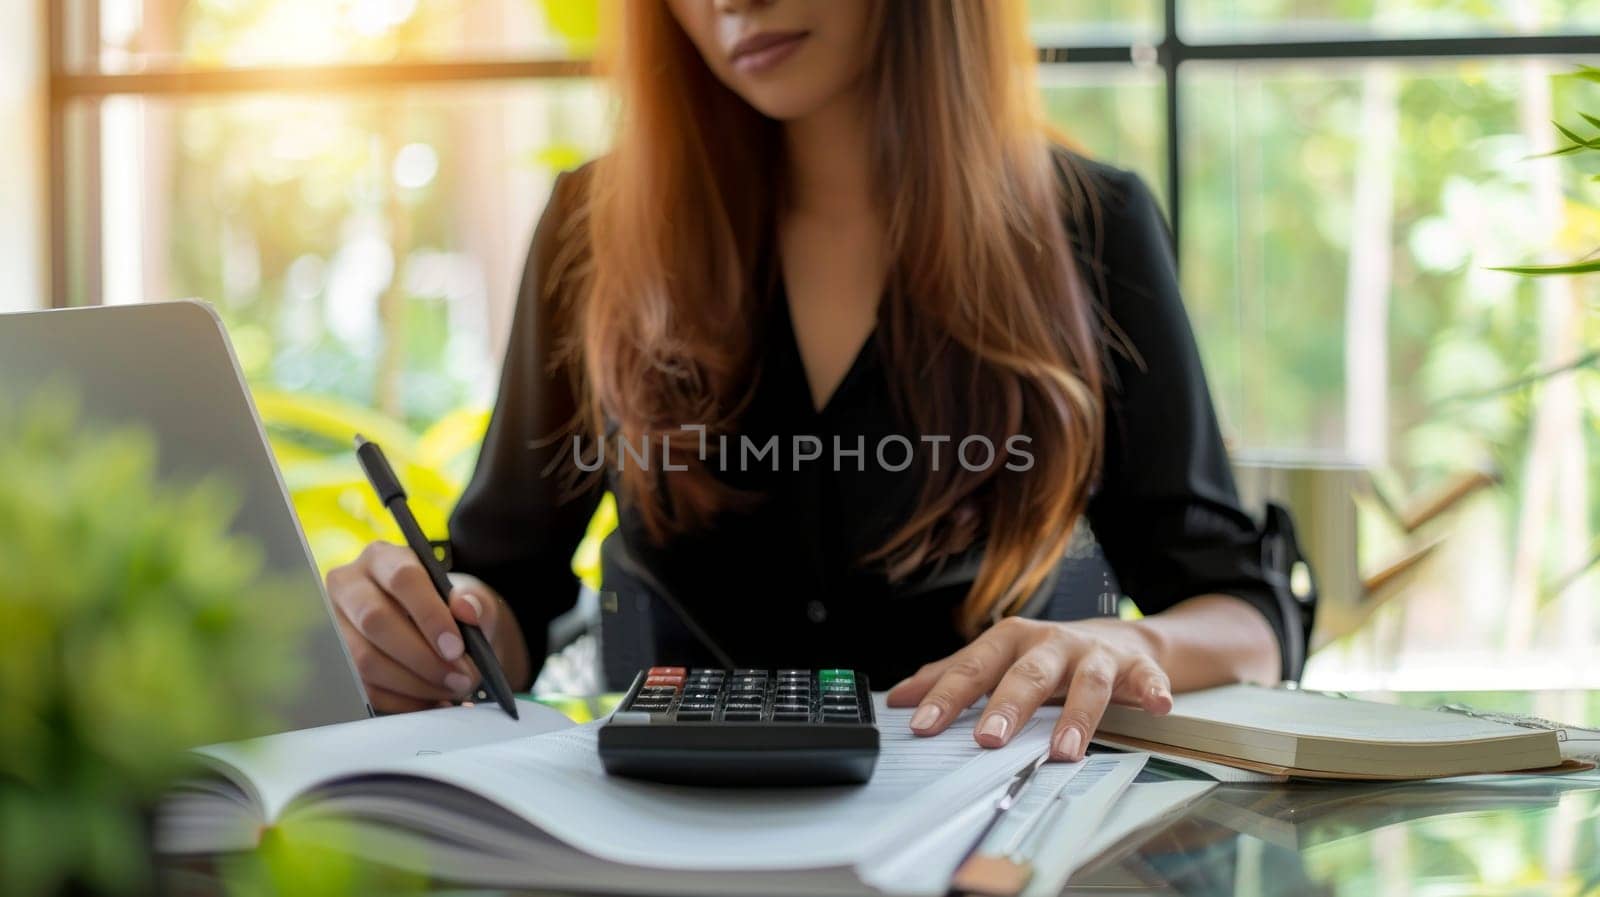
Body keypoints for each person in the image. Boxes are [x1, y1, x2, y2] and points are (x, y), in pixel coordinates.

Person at [325, 0, 1295, 763]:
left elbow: (1246, 615)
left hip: (986, 831)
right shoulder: (596, 230)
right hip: (671, 838)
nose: (731, 1)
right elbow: (507, 587)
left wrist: (1140, 648)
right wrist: (434, 631)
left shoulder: (1092, 227)